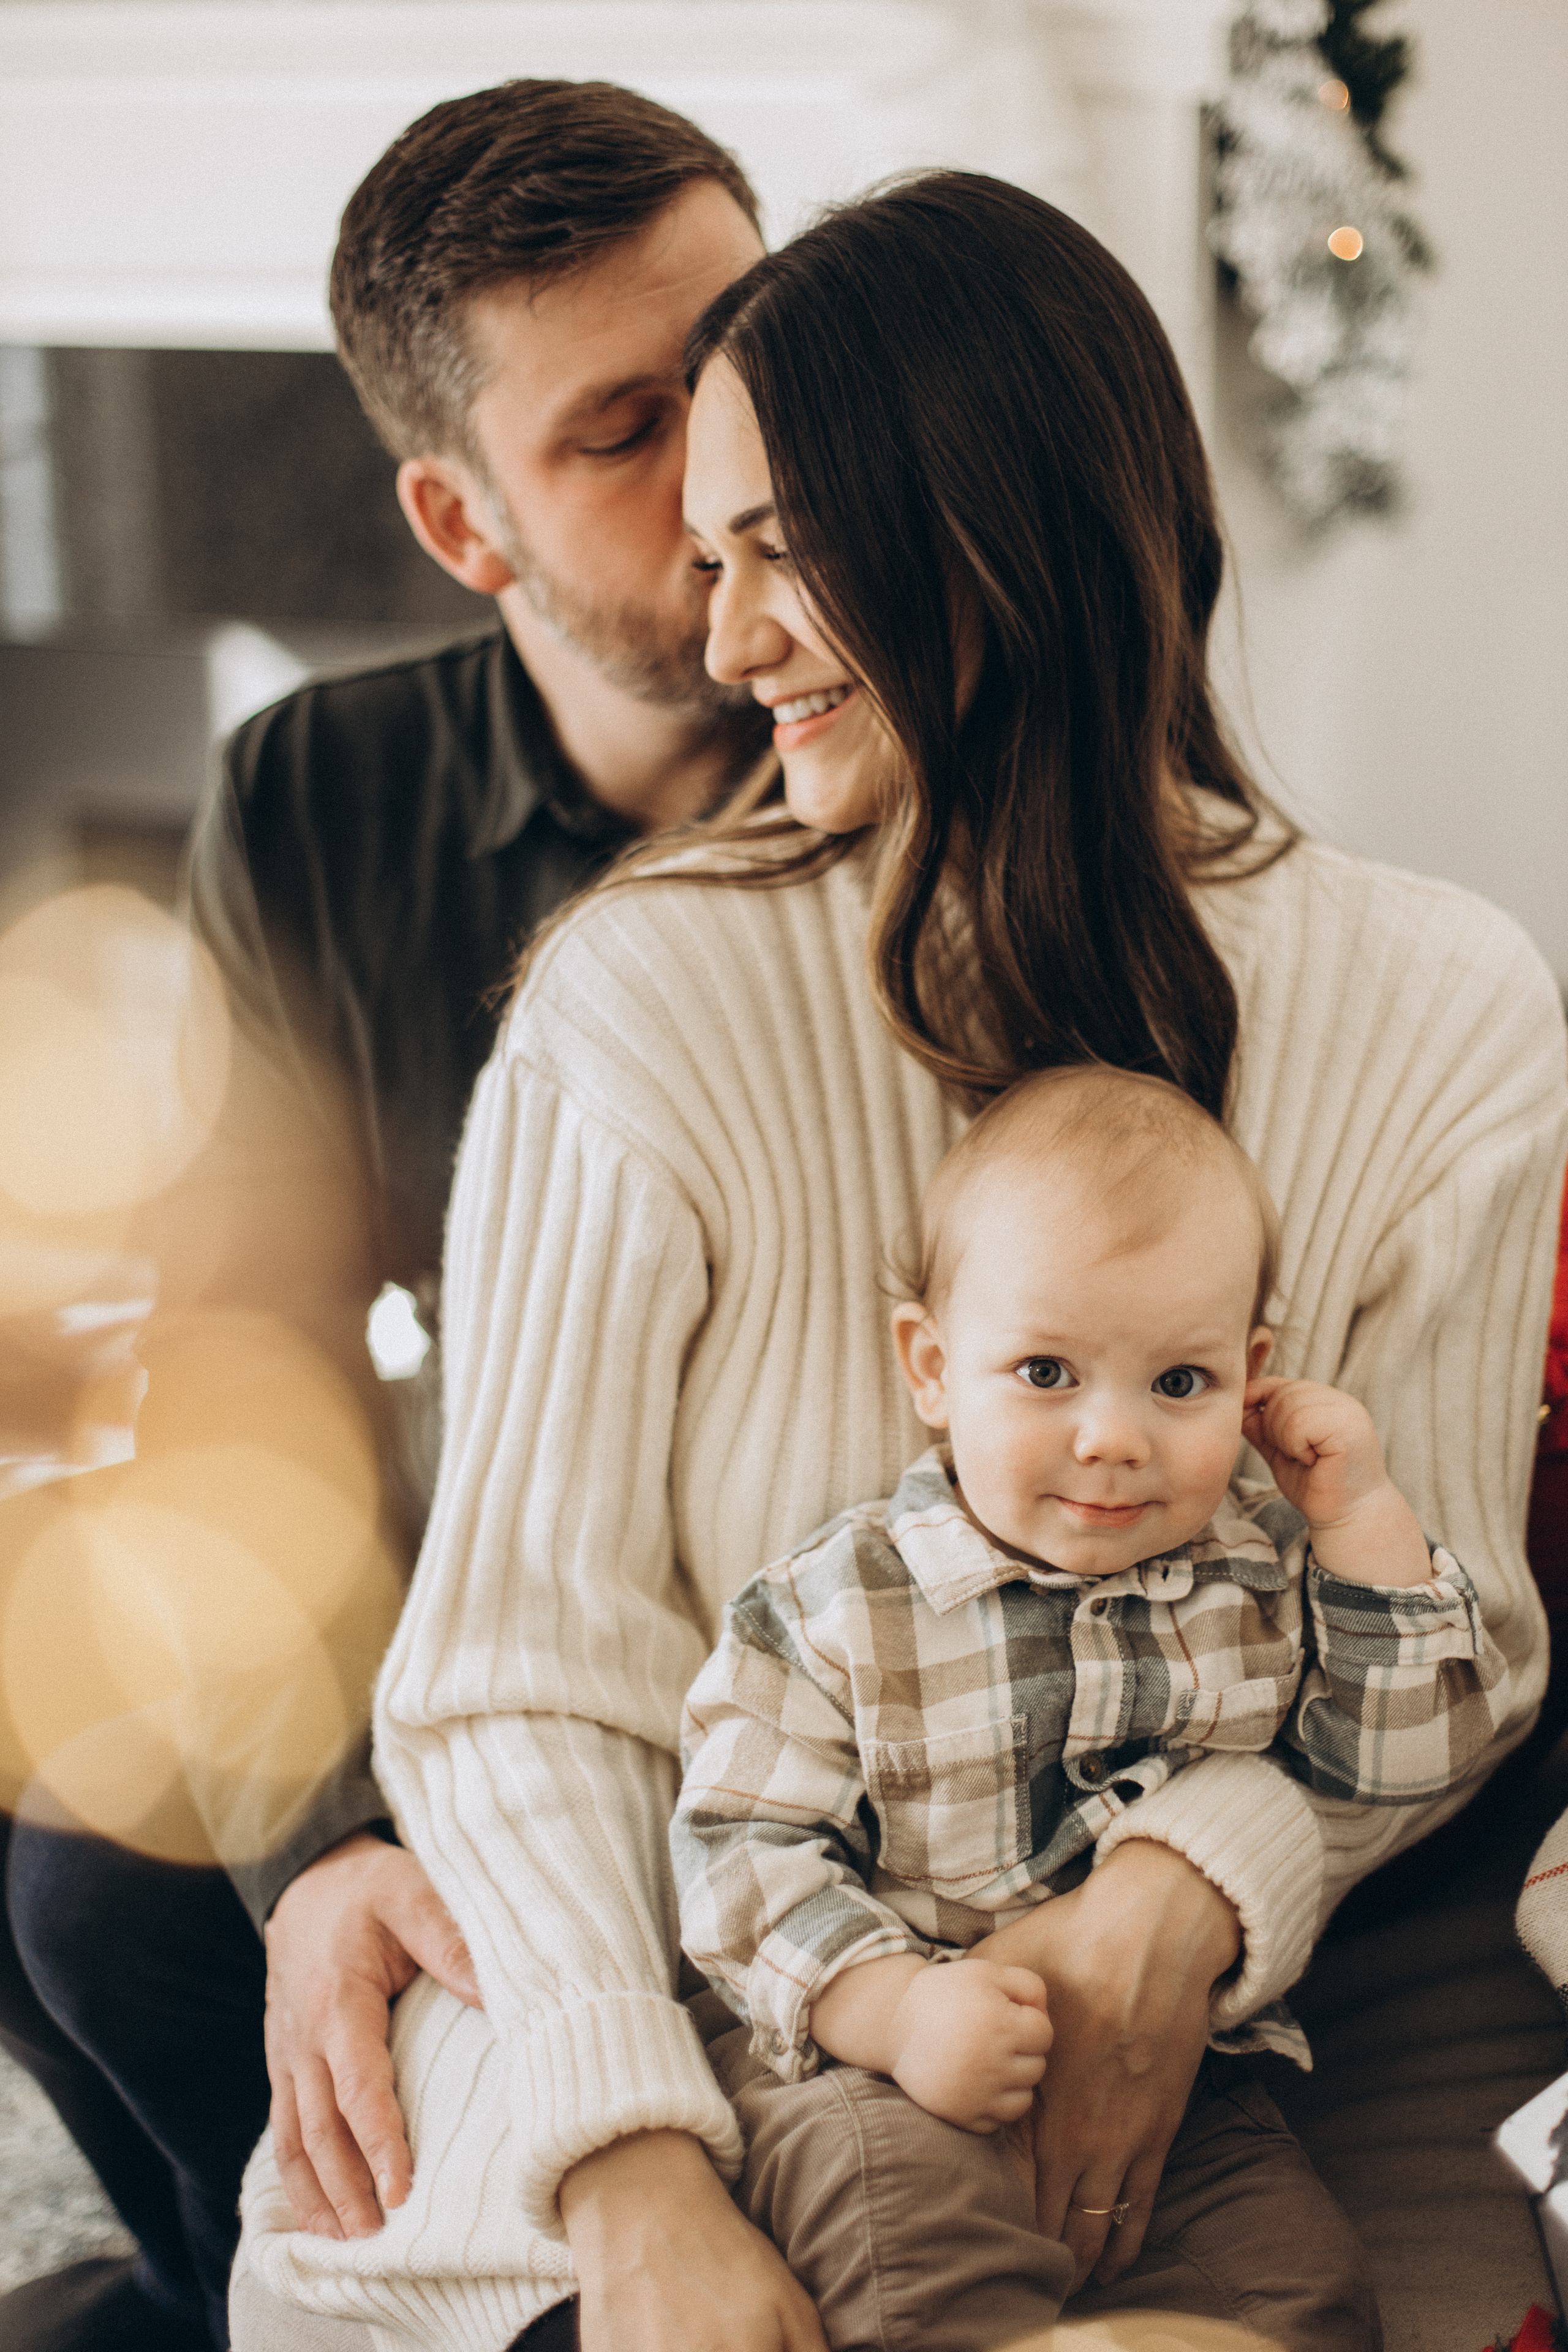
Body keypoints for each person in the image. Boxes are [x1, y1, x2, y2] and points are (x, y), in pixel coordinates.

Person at [232, 172, 1566, 2352]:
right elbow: (520, 1678)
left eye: (780, 553)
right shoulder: (633, 1000)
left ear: (999, 534)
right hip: (719, 1950)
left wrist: (1180, 1897)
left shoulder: (1443, 1008)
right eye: (706, 557)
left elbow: (1462, 1633)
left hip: (1239, 2023)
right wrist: (633, 2166)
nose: (729, 640)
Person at [0, 79, 767, 2352]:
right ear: (462, 524)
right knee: (71, 1879)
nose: (732, 468)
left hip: (774, 1640)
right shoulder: (315, 794)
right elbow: (244, 1354)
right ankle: (210, 2277)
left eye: (749, 353)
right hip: (472, 1586)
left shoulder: (905, 742)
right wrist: (326, 1830)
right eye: (623, 430)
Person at [673, 1063, 1511, 2351]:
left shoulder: (1262, 1568)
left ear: (1251, 1377)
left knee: (1303, 2295)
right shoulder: (838, 1603)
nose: (1113, 1436)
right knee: (923, 2282)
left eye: (1177, 1385)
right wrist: (894, 2009)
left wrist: (1361, 1524)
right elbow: (736, 1853)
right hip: (881, 2074)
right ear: (932, 1369)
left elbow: (1388, 1767)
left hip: (1184, 2078)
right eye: (1046, 1370)